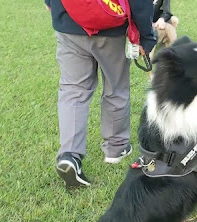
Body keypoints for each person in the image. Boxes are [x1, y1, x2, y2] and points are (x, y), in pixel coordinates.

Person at [45, 0, 156, 188]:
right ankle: (115, 148)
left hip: (68, 18)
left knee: (73, 90)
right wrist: (146, 36)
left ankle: (69, 155)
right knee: (116, 87)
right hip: (110, 24)